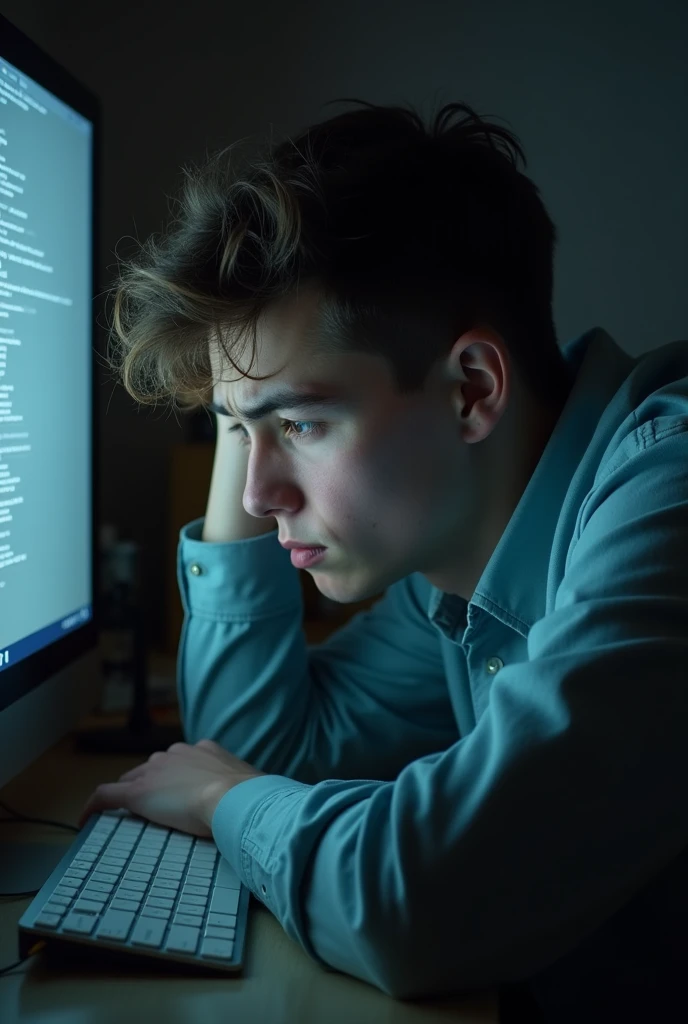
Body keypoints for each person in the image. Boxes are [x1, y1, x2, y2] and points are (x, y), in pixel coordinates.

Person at [82, 99, 688, 1020]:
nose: (254, 496)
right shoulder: (464, 567)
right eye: (236, 433)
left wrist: (224, 802)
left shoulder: (667, 496)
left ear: (471, 390)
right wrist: (250, 399)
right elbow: (256, 751)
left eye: (304, 424)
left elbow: (429, 900)